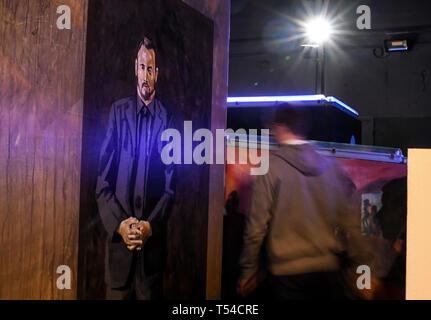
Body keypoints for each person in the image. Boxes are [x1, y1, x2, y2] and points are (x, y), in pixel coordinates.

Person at [237, 104, 371, 300]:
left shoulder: (270, 167)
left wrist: (248, 270)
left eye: (272, 127)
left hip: (286, 276)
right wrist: (364, 271)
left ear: (280, 126)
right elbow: (351, 223)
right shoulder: (332, 167)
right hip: (328, 273)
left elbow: (256, 227)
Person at [96, 36, 175, 300]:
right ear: (135, 69)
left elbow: (170, 188)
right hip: (119, 257)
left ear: (157, 74)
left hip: (151, 263)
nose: (145, 74)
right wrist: (120, 225)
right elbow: (103, 184)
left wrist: (148, 227)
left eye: (150, 68)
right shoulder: (117, 113)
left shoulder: (169, 120)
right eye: (142, 67)